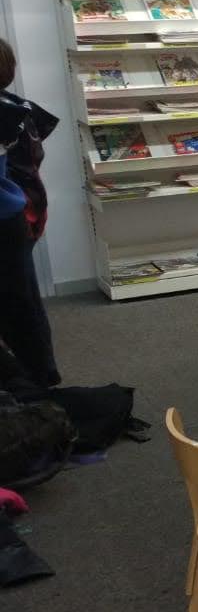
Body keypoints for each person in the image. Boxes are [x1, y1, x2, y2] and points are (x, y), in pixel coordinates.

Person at [0, 38, 61, 387]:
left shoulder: (7, 113)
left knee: (19, 307)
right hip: (19, 214)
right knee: (22, 302)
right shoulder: (14, 108)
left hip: (9, 217)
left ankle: (36, 386)